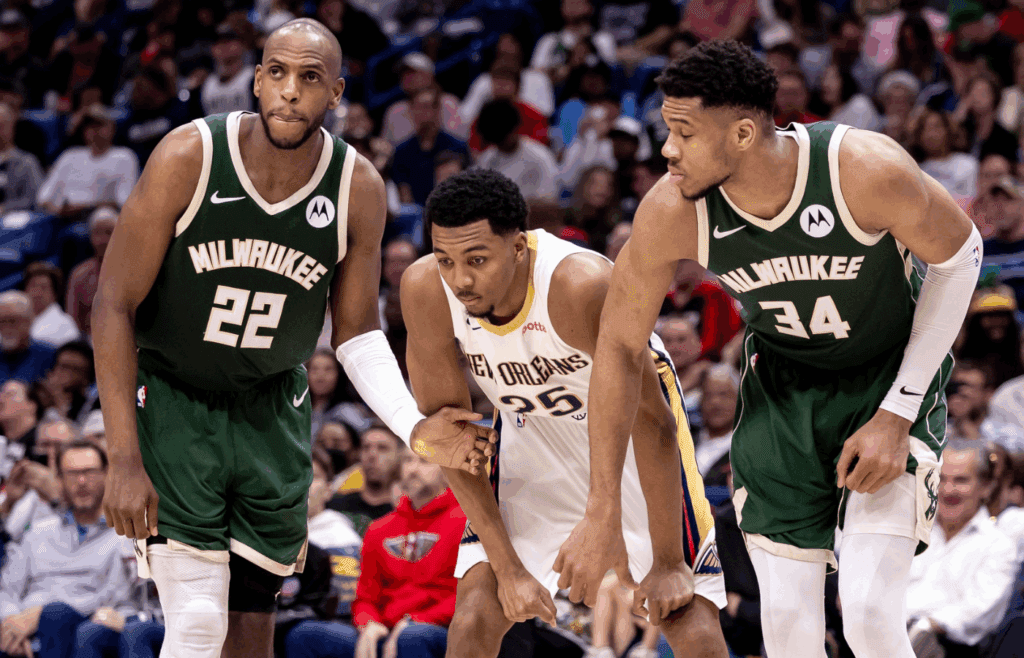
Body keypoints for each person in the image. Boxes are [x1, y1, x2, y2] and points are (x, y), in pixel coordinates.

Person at [558, 40, 982, 658]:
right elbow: (619, 348)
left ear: (742, 134)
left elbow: (960, 256)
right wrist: (601, 506)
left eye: (683, 132)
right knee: (785, 628)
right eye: (666, 130)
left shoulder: (861, 168)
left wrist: (898, 411)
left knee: (867, 614)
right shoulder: (672, 211)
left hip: (885, 380)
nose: (667, 150)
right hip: (781, 395)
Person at [92, 18, 495, 658]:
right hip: (175, 400)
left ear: (335, 93)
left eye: (309, 78)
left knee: (252, 631)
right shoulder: (189, 156)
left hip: (273, 409)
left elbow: (357, 334)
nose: (289, 90)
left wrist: (413, 427)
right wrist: (121, 456)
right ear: (256, 80)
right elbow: (112, 305)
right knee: (197, 623)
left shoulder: (357, 186)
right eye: (277, 73)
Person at [401, 169, 729, 658]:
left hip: (630, 441)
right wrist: (509, 570)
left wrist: (659, 556)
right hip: (529, 437)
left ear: (518, 247)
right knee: (473, 618)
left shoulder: (581, 285)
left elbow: (653, 422)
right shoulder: (426, 289)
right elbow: (454, 444)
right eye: (446, 259)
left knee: (687, 617)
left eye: (477, 260)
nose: (461, 280)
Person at [905, 440, 1019, 656]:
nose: (948, 490)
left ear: (986, 487)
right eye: (941, 479)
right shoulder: (910, 528)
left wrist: (926, 626)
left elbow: (978, 612)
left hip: (944, 646)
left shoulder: (999, 546)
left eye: (961, 480)